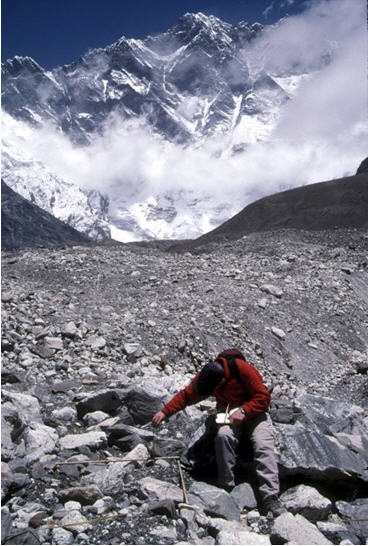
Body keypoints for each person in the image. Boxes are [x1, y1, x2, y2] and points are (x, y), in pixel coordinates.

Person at [152, 348, 285, 517]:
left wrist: (244, 411)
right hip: (228, 413)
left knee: (263, 444)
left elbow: (264, 397)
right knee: (223, 436)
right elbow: (187, 395)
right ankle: (226, 486)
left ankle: (270, 497)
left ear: (223, 380)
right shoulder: (208, 375)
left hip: (255, 413)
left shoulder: (243, 369)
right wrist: (164, 412)